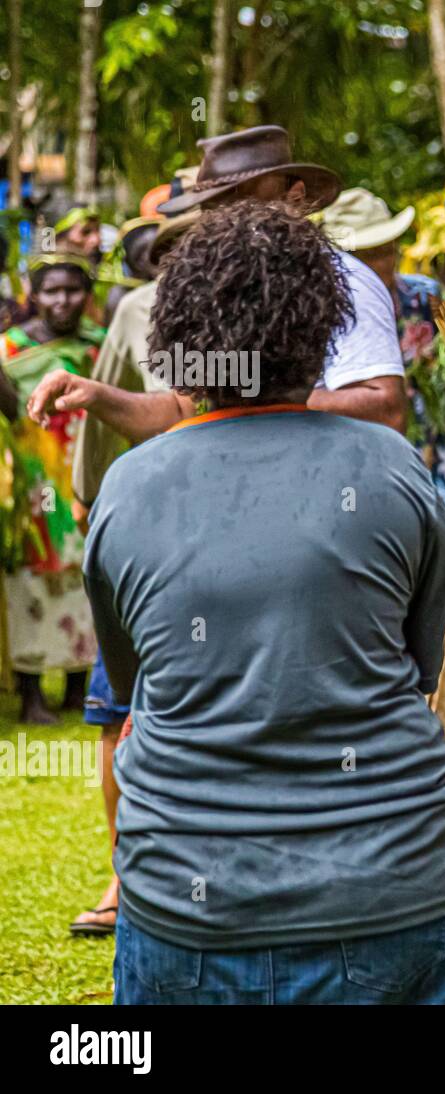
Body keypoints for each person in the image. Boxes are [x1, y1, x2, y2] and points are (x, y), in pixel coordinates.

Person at [85, 200, 445, 1004]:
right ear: (322, 330)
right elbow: (419, 662)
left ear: (178, 338)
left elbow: (134, 684)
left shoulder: (130, 488)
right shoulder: (395, 471)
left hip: (186, 908)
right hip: (392, 893)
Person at [26, 125, 407, 438]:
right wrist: (96, 395)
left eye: (247, 202)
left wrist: (257, 398)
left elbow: (386, 409)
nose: (230, 221)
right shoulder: (208, 291)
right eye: (216, 209)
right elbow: (184, 408)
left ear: (295, 197)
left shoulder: (344, 278)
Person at [65, 206, 198, 938]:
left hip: (234, 535)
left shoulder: (277, 303)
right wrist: (90, 498)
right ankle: (126, 876)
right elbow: (105, 397)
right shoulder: (136, 310)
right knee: (119, 708)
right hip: (150, 530)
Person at [0, 253, 101, 724]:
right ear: (33, 297)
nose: (63, 301)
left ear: (89, 295)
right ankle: (32, 694)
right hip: (29, 488)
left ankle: (80, 689)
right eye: (51, 291)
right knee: (30, 584)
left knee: (85, 583)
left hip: (85, 482)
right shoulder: (10, 349)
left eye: (73, 290)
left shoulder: (101, 346)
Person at [320, 187, 445, 506]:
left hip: (433, 444)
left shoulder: (426, 297)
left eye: (385, 251)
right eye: (366, 255)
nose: (380, 264)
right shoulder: (322, 309)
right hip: (359, 455)